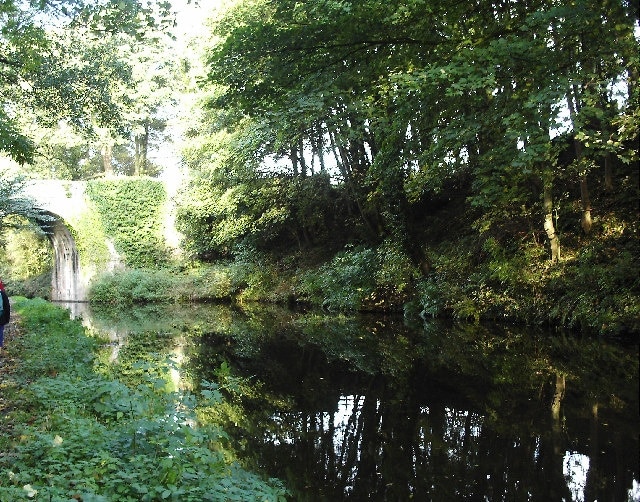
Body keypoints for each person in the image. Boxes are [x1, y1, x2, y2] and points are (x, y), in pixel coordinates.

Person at [0, 279, 10, 351]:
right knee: (0, 333)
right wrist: (7, 319)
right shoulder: (2, 294)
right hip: (1, 318)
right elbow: (7, 307)